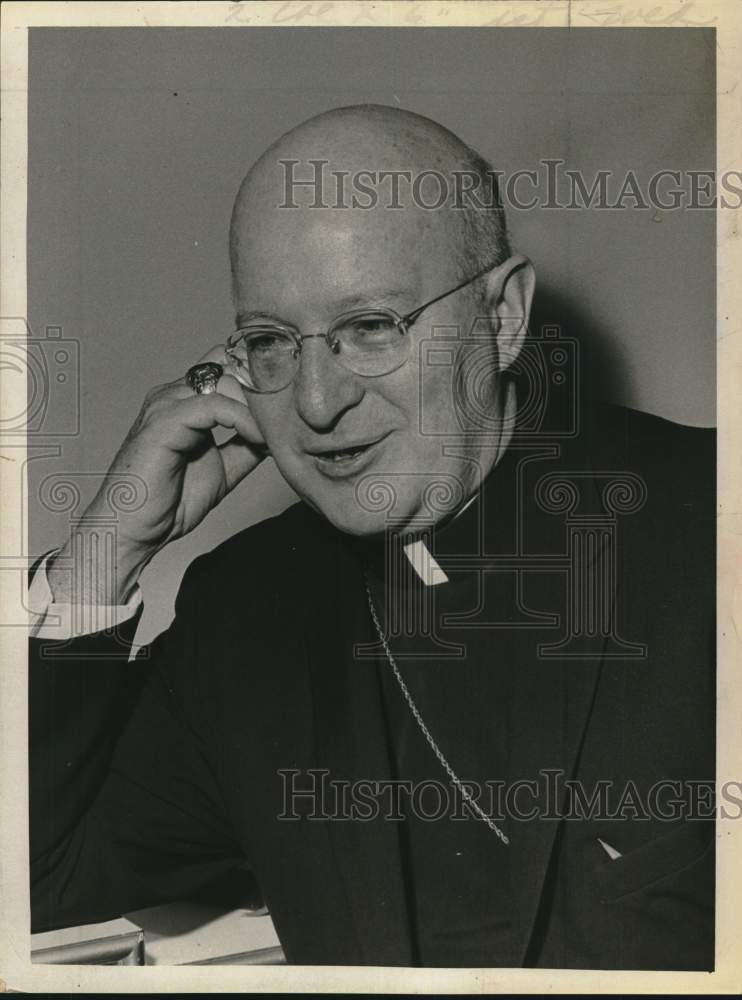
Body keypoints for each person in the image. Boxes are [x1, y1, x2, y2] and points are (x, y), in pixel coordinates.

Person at [28, 105, 715, 969]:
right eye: (272, 342)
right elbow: (37, 874)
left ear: (502, 317)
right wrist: (107, 551)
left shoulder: (710, 520)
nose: (316, 404)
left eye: (370, 328)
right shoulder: (246, 611)